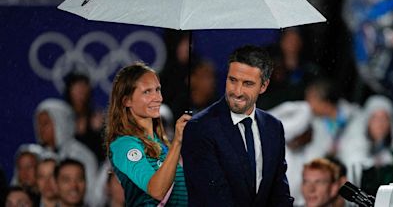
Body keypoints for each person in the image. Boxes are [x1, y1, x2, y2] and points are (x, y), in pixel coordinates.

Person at [181, 45, 294, 206]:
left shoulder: (273, 127)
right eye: (232, 80)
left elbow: (279, 194)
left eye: (248, 84)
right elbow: (213, 198)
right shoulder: (200, 128)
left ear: (263, 86)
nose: (237, 91)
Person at [105, 62, 191, 206]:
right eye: (147, 92)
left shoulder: (164, 145)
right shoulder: (124, 145)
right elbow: (156, 190)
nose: (157, 98)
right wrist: (177, 142)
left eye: (158, 90)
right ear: (126, 101)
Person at [34, 98, 98, 205]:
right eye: (38, 124)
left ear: (60, 123)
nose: (40, 129)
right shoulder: (38, 155)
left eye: (45, 124)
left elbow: (92, 196)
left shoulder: (82, 155)